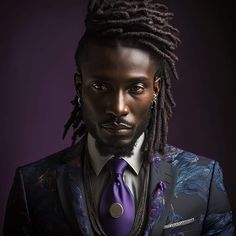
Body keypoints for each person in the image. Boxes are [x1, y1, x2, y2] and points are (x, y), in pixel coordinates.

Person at [3, 0, 234, 235]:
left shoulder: (204, 179)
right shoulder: (32, 186)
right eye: (101, 86)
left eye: (135, 88)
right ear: (79, 87)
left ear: (156, 90)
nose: (118, 107)